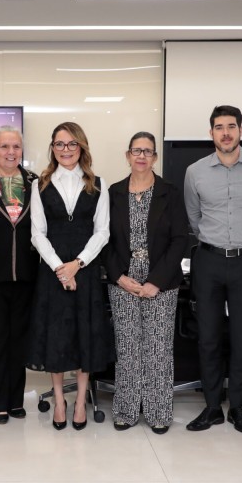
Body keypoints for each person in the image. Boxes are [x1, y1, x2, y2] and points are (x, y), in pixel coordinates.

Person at [184, 105, 242, 434]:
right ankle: (212, 406)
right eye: (219, 127)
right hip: (208, 260)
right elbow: (194, 218)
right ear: (210, 133)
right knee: (208, 337)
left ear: (241, 130)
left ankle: (237, 406)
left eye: (231, 126)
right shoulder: (195, 171)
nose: (226, 133)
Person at [28, 122, 114, 431]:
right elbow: (37, 233)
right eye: (59, 144)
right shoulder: (40, 185)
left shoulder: (98, 184)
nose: (66, 150)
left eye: (72, 144)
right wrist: (59, 269)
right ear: (52, 148)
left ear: (82, 147)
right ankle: (59, 401)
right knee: (56, 336)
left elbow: (102, 231)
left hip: (85, 272)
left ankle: (79, 401)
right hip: (52, 274)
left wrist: (77, 264)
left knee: (83, 335)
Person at [104, 132, 187, 433]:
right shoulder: (113, 193)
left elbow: (179, 240)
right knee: (127, 346)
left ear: (155, 157)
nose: (141, 156)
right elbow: (104, 240)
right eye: (136, 151)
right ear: (128, 156)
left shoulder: (170, 192)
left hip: (160, 282)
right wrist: (119, 276)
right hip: (123, 280)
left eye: (147, 151)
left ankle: (158, 412)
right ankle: (126, 410)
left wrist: (156, 281)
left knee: (158, 348)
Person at [0, 126, 38, 424]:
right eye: (4, 146)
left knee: (19, 340)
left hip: (27, 272)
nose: (11, 152)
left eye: (16, 146)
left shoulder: (35, 182)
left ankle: (15, 400)